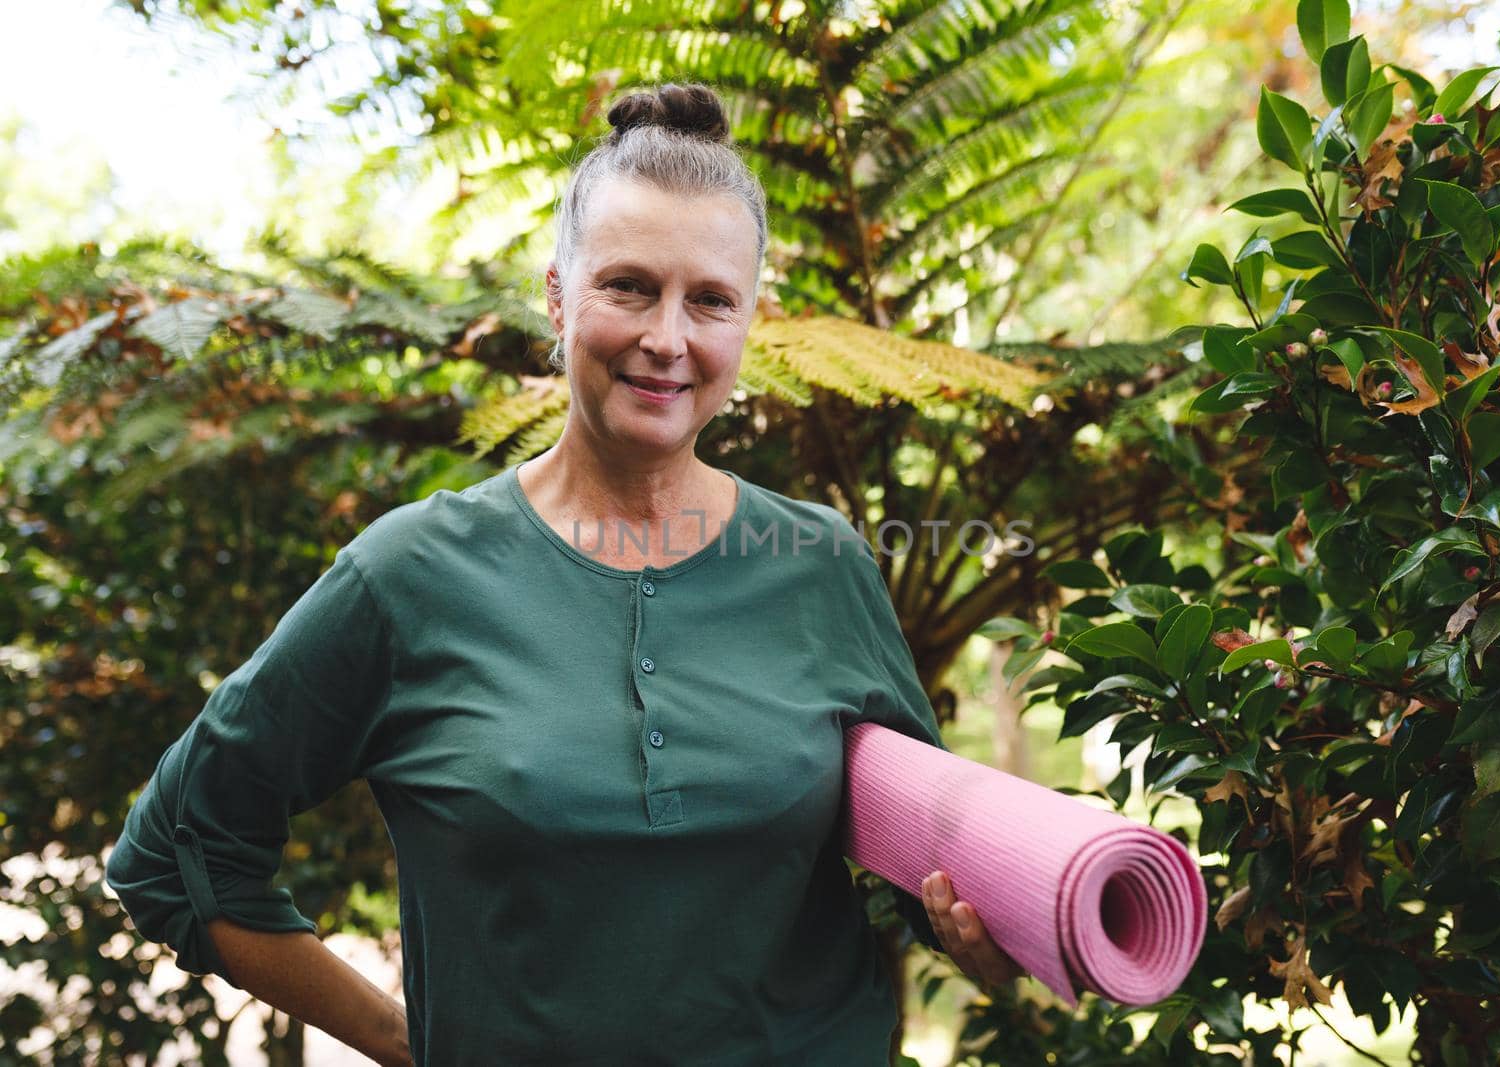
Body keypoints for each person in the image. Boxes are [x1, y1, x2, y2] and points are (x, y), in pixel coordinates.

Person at [104, 82, 1022, 1067]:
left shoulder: (820, 560)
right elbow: (175, 850)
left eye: (710, 299)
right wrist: (401, 1037)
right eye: (628, 286)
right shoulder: (409, 575)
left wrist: (997, 933)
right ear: (555, 294)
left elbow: (919, 865)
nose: (666, 338)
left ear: (752, 319)